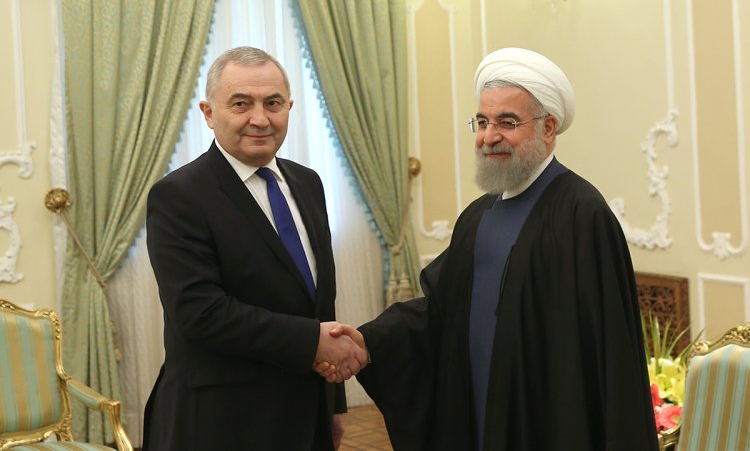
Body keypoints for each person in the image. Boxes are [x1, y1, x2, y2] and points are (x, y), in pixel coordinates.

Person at [318, 47, 659, 450]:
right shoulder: (477, 217)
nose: (489, 136)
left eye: (507, 122)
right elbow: (438, 311)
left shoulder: (582, 215)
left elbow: (612, 351)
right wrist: (368, 342)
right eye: (482, 121)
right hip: (474, 414)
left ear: (548, 128)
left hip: (548, 424)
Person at [142, 46, 367, 451]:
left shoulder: (308, 183)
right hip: (221, 421)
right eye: (241, 104)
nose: (260, 119)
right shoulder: (178, 195)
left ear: (289, 108)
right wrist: (311, 341)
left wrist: (332, 406)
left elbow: (320, 304)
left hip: (304, 412)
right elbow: (199, 313)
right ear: (209, 113)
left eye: (273, 103)